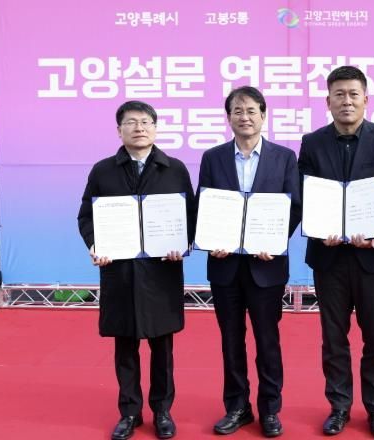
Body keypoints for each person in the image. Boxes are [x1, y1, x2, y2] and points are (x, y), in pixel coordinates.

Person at [77, 100, 195, 440]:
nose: (139, 127)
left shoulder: (174, 169)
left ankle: (162, 412)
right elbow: (86, 216)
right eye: (131, 122)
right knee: (125, 346)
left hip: (161, 272)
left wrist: (183, 243)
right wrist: (95, 245)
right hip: (120, 272)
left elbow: (189, 215)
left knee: (162, 348)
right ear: (119, 130)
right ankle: (129, 412)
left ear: (155, 128)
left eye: (145, 121)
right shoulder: (103, 171)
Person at [298, 66, 374, 437]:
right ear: (327, 101)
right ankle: (339, 407)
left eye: (353, 94)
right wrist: (317, 226)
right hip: (327, 256)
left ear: (366, 99)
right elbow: (304, 191)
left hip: (372, 254)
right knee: (333, 337)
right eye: (339, 94)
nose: (346, 101)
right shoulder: (312, 142)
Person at [197, 86, 301, 437]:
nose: (245, 117)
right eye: (237, 111)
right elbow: (205, 204)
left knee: (267, 339)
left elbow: (294, 206)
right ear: (229, 118)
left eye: (251, 110)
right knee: (231, 340)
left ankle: (270, 409)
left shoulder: (284, 157)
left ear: (263, 115)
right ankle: (237, 407)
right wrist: (210, 240)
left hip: (266, 265)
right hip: (225, 265)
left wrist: (274, 240)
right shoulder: (213, 158)